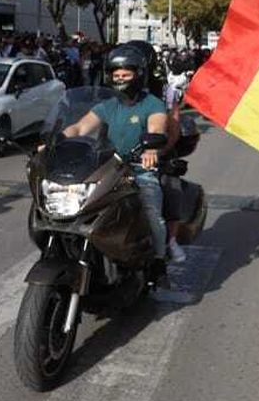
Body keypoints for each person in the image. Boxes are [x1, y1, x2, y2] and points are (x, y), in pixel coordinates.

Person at [58, 43, 174, 270]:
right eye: (116, 74)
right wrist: (57, 139)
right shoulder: (109, 105)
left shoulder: (152, 104)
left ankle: (159, 259)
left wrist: (150, 150)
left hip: (139, 170)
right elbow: (81, 128)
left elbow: (157, 128)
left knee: (152, 212)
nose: (120, 79)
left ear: (138, 76)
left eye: (126, 74)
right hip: (109, 169)